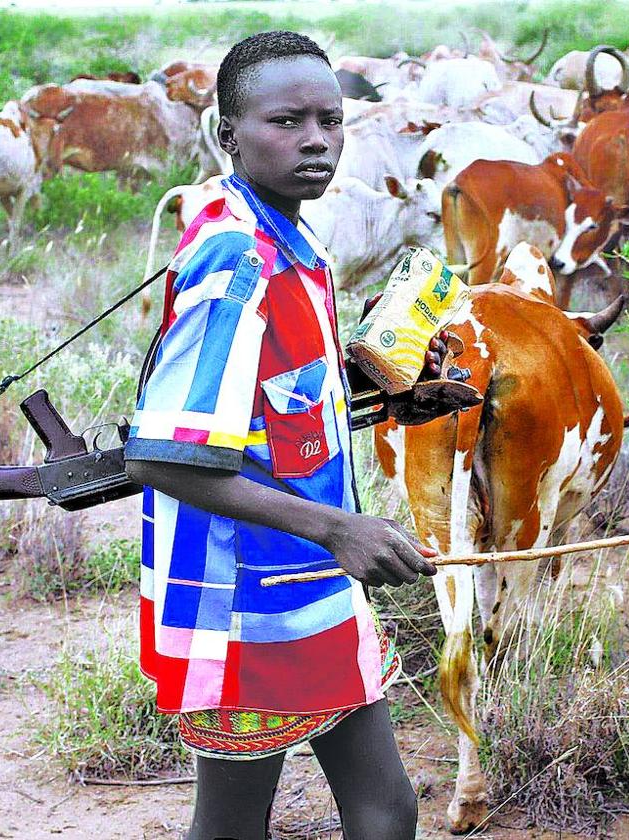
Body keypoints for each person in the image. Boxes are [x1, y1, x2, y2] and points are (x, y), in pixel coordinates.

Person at [123, 31, 459, 840]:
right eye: (287, 121)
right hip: (246, 602)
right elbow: (165, 456)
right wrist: (340, 527)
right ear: (227, 134)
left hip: (309, 583)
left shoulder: (290, 238)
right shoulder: (238, 259)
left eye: (330, 120)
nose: (316, 140)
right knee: (235, 827)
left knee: (388, 810)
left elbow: (278, 405)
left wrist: (387, 400)